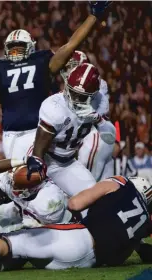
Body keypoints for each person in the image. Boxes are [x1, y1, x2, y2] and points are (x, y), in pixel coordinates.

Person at [0, 2, 111, 161]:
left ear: (29, 47)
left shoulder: (16, 64)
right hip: (18, 133)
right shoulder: (33, 62)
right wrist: (93, 17)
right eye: (12, 49)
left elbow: (70, 46)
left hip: (41, 131)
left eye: (19, 48)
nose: (15, 52)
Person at [0, 176, 152, 272]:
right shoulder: (145, 225)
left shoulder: (122, 183)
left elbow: (74, 204)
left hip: (78, 238)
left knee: (14, 241)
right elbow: (117, 259)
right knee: (29, 254)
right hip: (90, 263)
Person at [26, 63, 116, 197]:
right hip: (46, 160)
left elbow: (110, 138)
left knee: (94, 198)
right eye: (72, 92)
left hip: (68, 163)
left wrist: (98, 119)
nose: (74, 99)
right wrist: (36, 168)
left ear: (93, 95)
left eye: (81, 96)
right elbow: (38, 151)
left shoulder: (99, 102)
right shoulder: (54, 106)